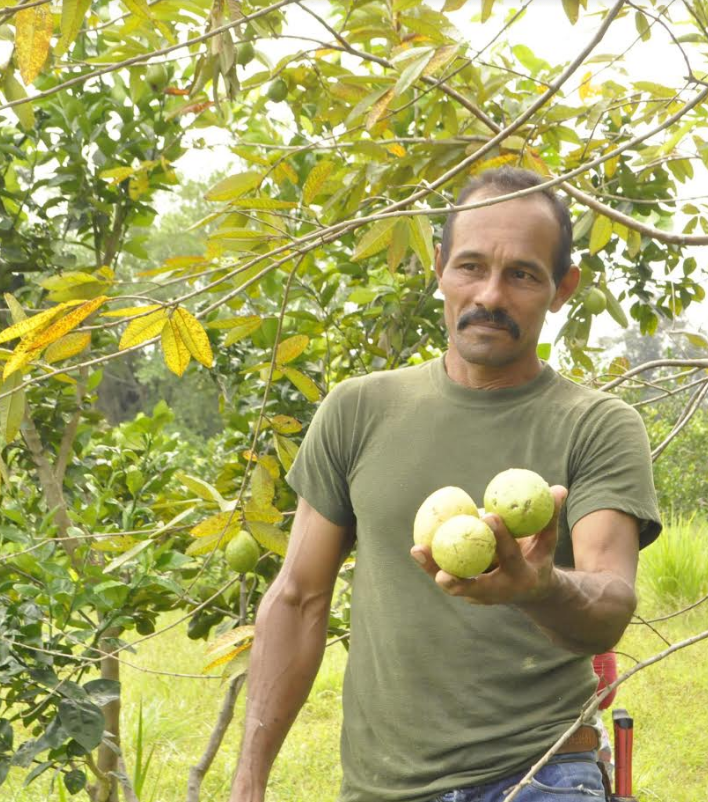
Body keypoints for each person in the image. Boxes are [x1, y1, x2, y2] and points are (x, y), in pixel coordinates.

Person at [227, 166, 662, 802]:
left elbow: (609, 605)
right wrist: (248, 780)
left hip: (541, 776)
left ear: (562, 287)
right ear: (438, 268)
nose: (490, 294)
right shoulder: (357, 411)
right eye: (471, 266)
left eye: (522, 274)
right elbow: (297, 599)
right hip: (382, 790)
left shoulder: (597, 425)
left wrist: (540, 589)